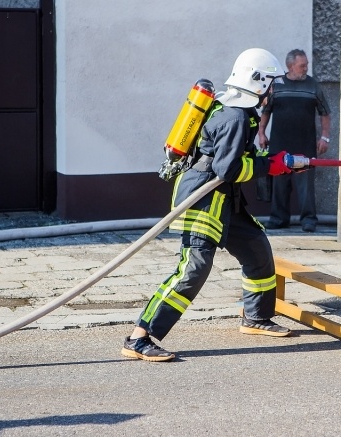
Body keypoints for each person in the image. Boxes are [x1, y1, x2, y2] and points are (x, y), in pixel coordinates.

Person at [122, 48, 299, 362]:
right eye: (271, 82)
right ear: (258, 82)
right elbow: (228, 170)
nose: (273, 89)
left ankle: (256, 317)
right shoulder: (235, 116)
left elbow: (233, 162)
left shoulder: (234, 107)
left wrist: (275, 162)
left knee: (257, 249)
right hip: (203, 199)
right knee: (194, 269)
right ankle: (140, 336)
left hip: (224, 201)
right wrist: (268, 166)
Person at [257, 49, 332, 232]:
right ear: (291, 66)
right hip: (279, 144)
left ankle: (308, 220)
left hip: (305, 145)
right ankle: (278, 219)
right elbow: (265, 112)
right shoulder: (277, 84)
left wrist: (324, 137)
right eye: (302, 65)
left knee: (305, 186)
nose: (306, 68)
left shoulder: (313, 86)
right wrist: (261, 133)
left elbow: (325, 113)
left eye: (306, 65)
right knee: (280, 184)